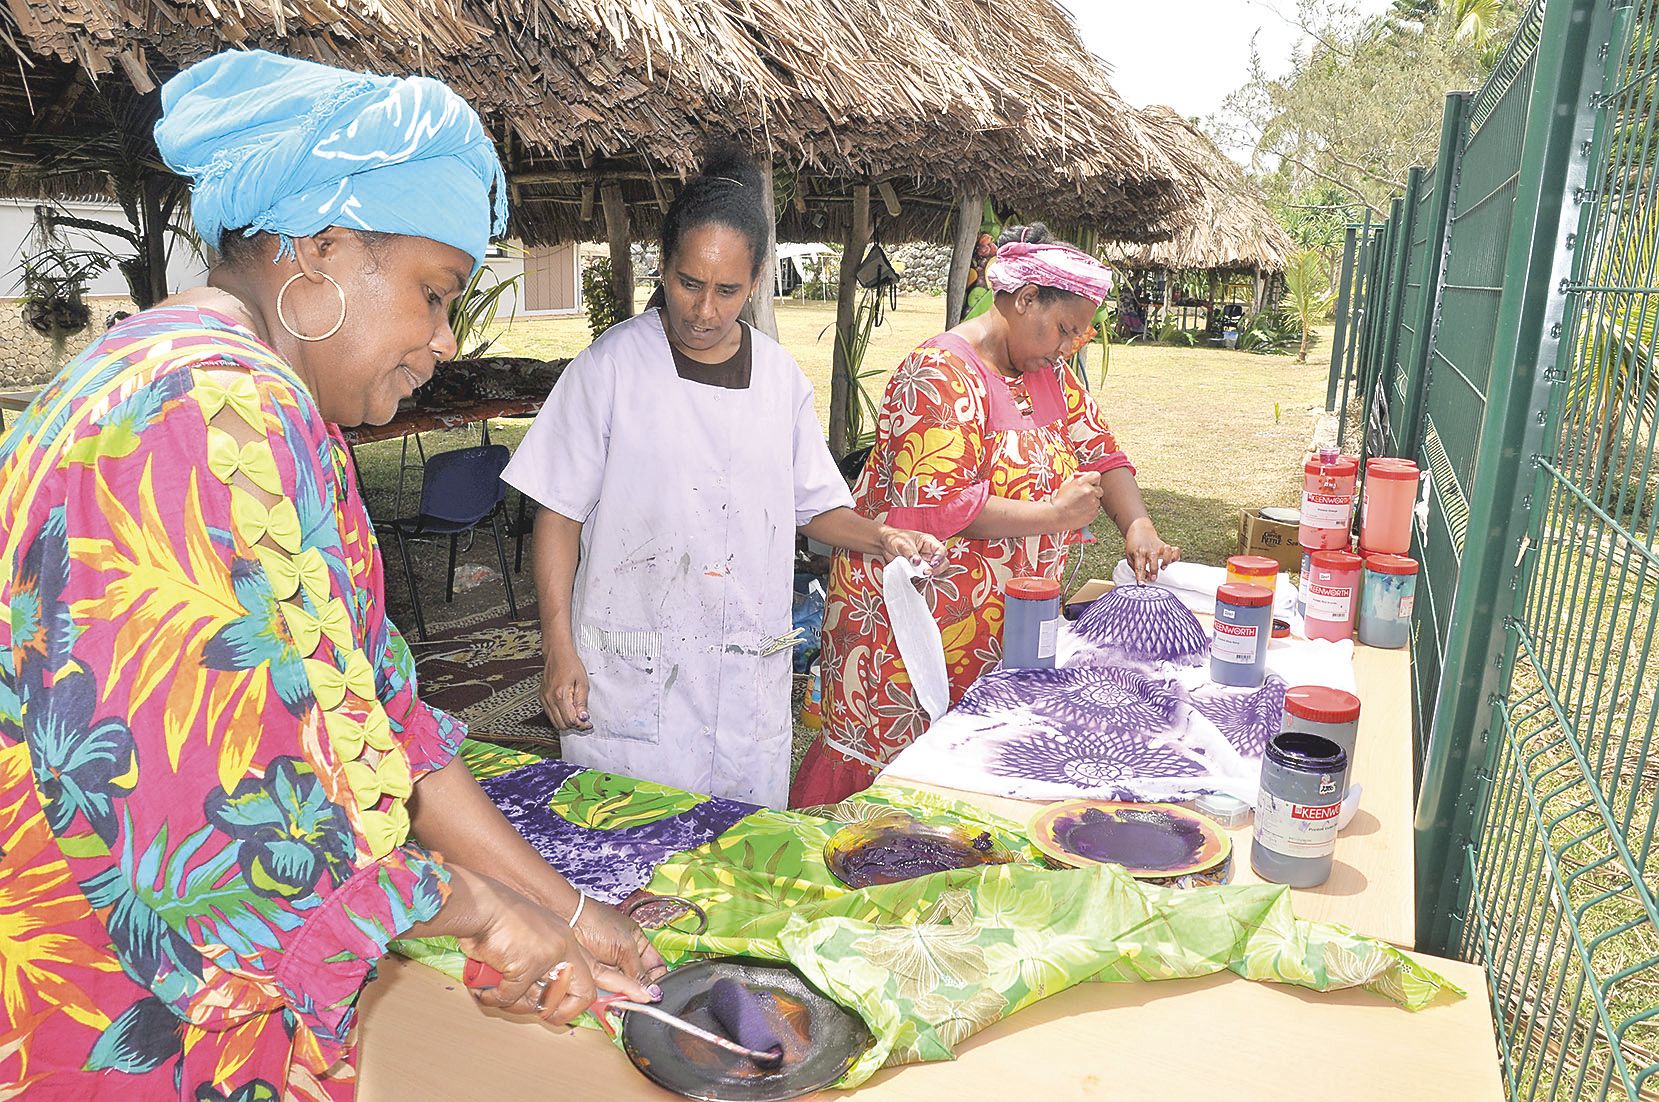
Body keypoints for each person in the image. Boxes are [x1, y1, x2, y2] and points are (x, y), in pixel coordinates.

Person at [0, 51, 664, 1102]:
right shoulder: (216, 413)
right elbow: (238, 830)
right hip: (132, 1023)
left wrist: (569, 911)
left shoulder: (188, 383)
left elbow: (376, 718)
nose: (444, 339)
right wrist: (480, 911)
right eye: (432, 294)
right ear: (320, 250)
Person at [504, 146, 944, 808]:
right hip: (633, 671)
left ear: (757, 280)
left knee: (736, 851)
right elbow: (558, 513)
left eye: (727, 291)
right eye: (688, 283)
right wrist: (558, 646)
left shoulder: (779, 380)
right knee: (630, 838)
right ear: (663, 266)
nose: (704, 311)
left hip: (745, 682)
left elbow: (813, 506)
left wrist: (879, 537)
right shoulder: (610, 368)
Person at [789, 225, 1182, 808]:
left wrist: (1138, 525)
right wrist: (1053, 514)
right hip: (912, 630)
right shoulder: (938, 374)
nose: (1070, 347)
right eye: (1065, 329)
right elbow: (940, 507)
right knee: (900, 788)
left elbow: (1101, 451)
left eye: (1080, 334)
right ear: (1025, 299)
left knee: (972, 776)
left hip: (997, 625)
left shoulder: (1045, 373)